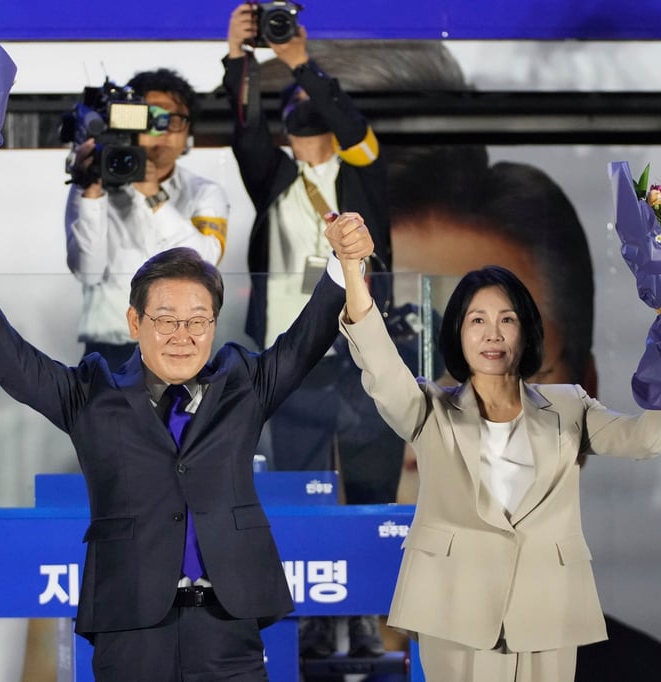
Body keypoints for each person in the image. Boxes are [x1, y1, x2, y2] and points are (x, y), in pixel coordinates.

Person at [0, 212, 373, 681]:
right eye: (166, 320)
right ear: (134, 322)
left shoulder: (244, 384)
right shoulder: (92, 393)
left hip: (228, 626)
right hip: (131, 629)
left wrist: (344, 260)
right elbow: (17, 365)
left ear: (215, 324)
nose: (183, 336)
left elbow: (307, 339)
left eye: (198, 321)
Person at [386, 146, 661, 681]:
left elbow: (643, 438)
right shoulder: (430, 412)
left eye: (509, 327)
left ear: (579, 376)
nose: (493, 339)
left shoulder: (568, 411)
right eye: (476, 324)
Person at [223, 5, 397, 659]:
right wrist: (241, 59)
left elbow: (354, 125)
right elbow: (245, 126)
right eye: (290, 100)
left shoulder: (362, 168)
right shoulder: (274, 178)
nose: (299, 106)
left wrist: (299, 61)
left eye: (307, 98)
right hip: (292, 358)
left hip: (357, 355)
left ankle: (371, 618)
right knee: (299, 492)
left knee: (371, 491)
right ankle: (316, 621)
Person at [64, 67, 228, 367]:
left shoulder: (204, 192)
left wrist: (153, 195)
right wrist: (90, 193)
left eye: (174, 119)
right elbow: (87, 271)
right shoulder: (93, 183)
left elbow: (205, 262)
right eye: (151, 118)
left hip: (178, 348)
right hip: (107, 352)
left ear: (189, 131)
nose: (163, 130)